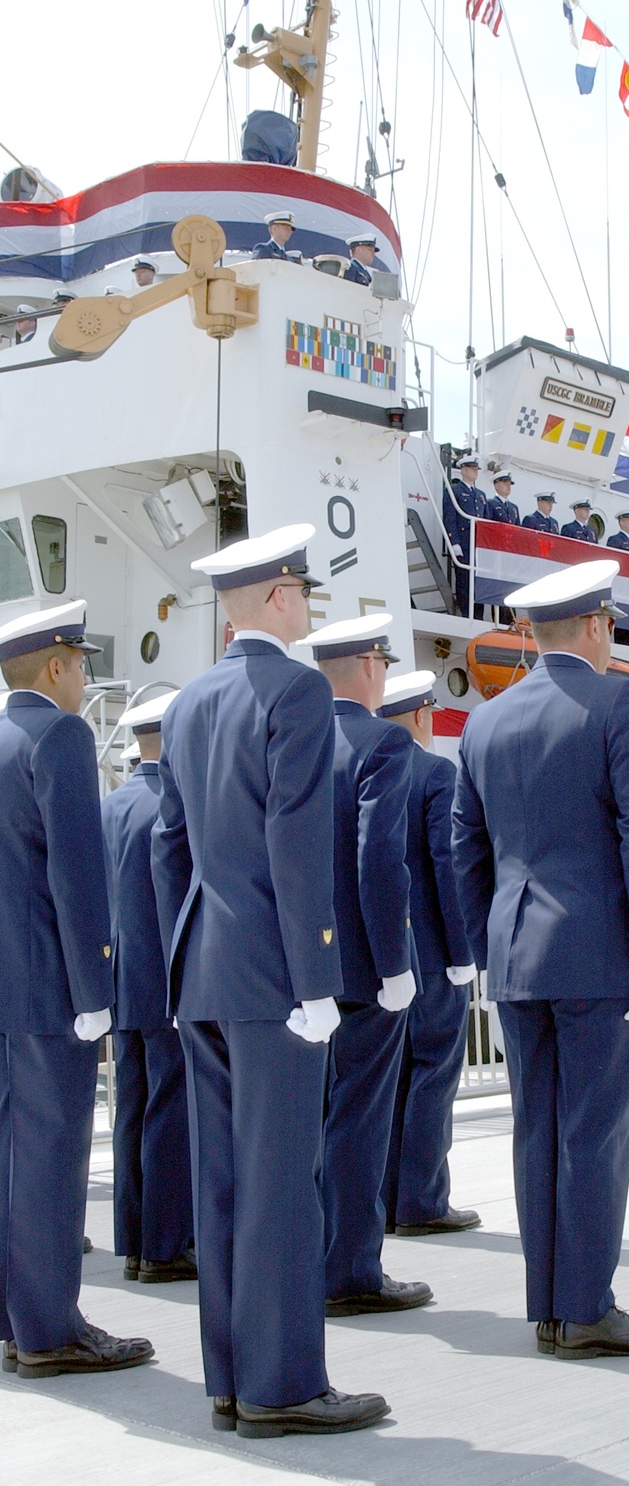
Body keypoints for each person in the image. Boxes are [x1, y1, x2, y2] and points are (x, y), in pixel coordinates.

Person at [151, 525, 388, 1439]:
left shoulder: (183, 706)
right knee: (286, 1181)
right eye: (304, 597)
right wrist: (318, 971)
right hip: (274, 976)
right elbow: (296, 843)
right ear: (283, 600)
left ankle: (229, 1378)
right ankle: (283, 1386)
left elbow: (176, 848)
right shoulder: (293, 689)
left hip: (203, 967)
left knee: (223, 1183)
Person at [453, 560, 629, 1362]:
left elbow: (465, 848)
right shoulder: (621, 700)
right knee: (593, 1129)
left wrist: (485, 948)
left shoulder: (483, 723)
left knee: (537, 1129)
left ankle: (551, 1307)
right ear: (595, 625)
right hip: (595, 952)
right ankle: (586, 1309)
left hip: (515, 955)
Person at [0, 601, 154, 1381]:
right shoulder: (59, 735)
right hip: (44, 988)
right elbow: (75, 872)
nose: (84, 676)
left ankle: (12, 1317)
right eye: (80, 662)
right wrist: (96, 985)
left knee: (7, 1158)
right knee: (52, 1159)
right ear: (57, 667)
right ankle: (50, 1328)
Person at [291, 616, 432, 1322]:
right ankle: (350, 1270)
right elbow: (380, 861)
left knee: (307, 1122)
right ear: (371, 668)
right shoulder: (382, 742)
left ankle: (308, 1259)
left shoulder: (290, 740)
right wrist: (393, 963)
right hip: (363, 970)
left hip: (299, 966)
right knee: (359, 1121)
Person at [378, 671, 481, 1238]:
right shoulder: (436, 773)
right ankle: (421, 1199)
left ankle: (383, 1196)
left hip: (376, 954)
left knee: (383, 1080)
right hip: (434, 951)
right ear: (422, 715)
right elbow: (450, 865)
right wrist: (463, 950)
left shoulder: (362, 764)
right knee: (433, 1070)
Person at [102, 691, 195, 1286]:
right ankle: (163, 1246)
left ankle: (132, 1238)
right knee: (169, 1108)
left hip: (120, 980)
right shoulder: (170, 801)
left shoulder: (112, 804)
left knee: (131, 1108)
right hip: (163, 979)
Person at [444, 454, 486, 619]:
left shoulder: (481, 495)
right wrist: (454, 542)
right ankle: (465, 612)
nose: (475, 472)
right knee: (464, 581)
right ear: (464, 470)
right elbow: (450, 517)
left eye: (476, 469)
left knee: (478, 581)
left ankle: (478, 615)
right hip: (464, 543)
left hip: (478, 545)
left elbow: (485, 522)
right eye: (472, 469)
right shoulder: (454, 491)